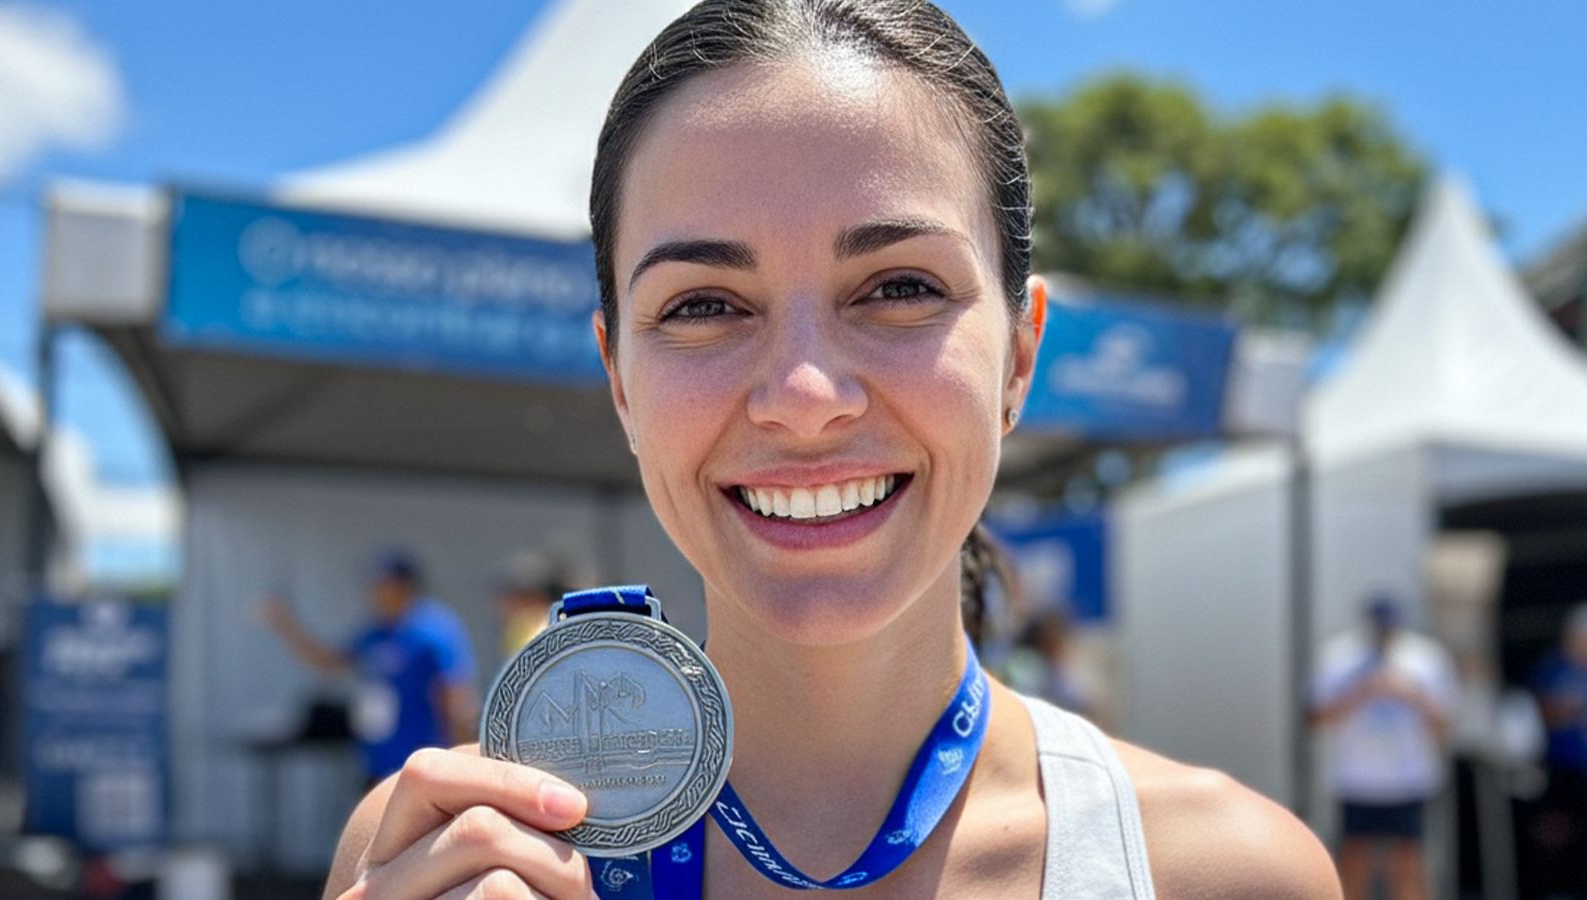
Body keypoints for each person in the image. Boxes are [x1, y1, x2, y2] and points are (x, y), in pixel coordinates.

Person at [321, 3, 1341, 898]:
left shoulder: (1227, 875)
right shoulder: (444, 854)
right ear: (621, 380)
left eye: (900, 288)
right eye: (704, 305)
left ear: (1021, 356)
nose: (805, 399)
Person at [261, 549, 480, 782]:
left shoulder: (433, 630)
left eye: (384, 585)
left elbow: (457, 696)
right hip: (379, 762)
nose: (375, 593)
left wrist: (463, 763)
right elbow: (330, 662)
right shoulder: (375, 632)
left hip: (425, 764)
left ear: (405, 586)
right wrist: (286, 626)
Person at [1310, 596, 1456, 900]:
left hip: (1407, 780)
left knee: (1408, 863)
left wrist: (1412, 695)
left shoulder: (1425, 657)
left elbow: (1444, 724)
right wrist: (1362, 691)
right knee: (1353, 860)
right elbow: (1316, 718)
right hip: (1356, 780)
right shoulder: (1339, 655)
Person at [1523, 600, 1587, 897]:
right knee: (1556, 832)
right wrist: (1568, 709)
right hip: (1562, 767)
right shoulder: (1554, 666)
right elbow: (1539, 710)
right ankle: (1556, 889)